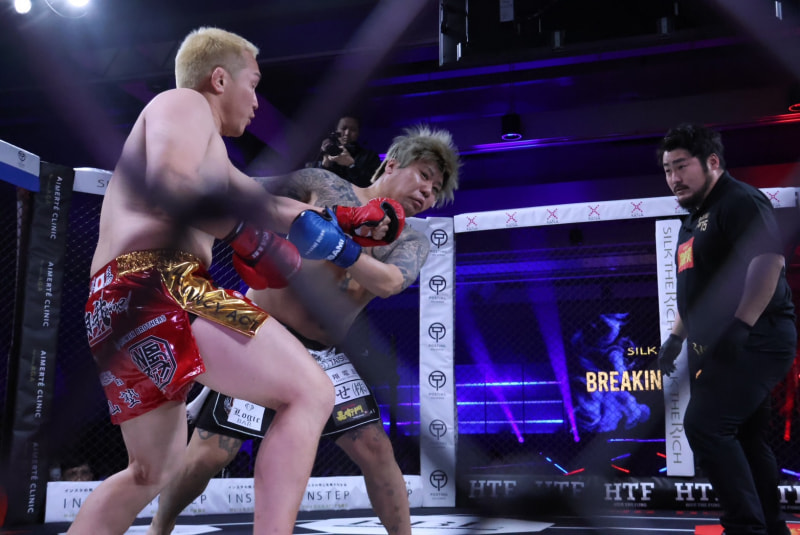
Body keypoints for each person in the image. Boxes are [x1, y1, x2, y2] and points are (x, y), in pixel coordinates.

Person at [73, 27, 400, 535]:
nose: (256, 101)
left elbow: (265, 204)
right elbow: (170, 188)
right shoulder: (183, 103)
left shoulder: (210, 155)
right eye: (254, 83)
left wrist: (339, 222)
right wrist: (250, 239)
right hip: (164, 279)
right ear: (220, 79)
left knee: (150, 471)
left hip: (112, 303)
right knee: (311, 392)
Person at [147, 124, 461, 535]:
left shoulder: (412, 241)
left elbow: (388, 283)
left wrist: (339, 246)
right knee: (210, 454)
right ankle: (159, 528)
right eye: (424, 175)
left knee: (376, 450)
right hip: (260, 336)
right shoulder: (324, 185)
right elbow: (252, 193)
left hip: (321, 353)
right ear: (393, 164)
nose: (427, 192)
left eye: (435, 189)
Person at [656, 123, 796, 535]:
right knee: (747, 437)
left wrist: (741, 325)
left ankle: (744, 528)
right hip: (717, 343)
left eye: (682, 166)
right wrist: (676, 337)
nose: (674, 178)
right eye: (667, 170)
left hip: (756, 337)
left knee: (705, 425)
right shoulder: (692, 221)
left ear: (712, 162)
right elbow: (696, 289)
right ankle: (771, 527)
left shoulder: (739, 200)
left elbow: (769, 262)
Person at [314, 115, 381, 188]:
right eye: (343, 128)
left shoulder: (370, 156)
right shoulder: (327, 152)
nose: (347, 133)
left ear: (358, 133)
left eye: (353, 129)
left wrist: (351, 166)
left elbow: (372, 186)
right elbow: (315, 186)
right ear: (336, 131)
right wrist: (325, 165)